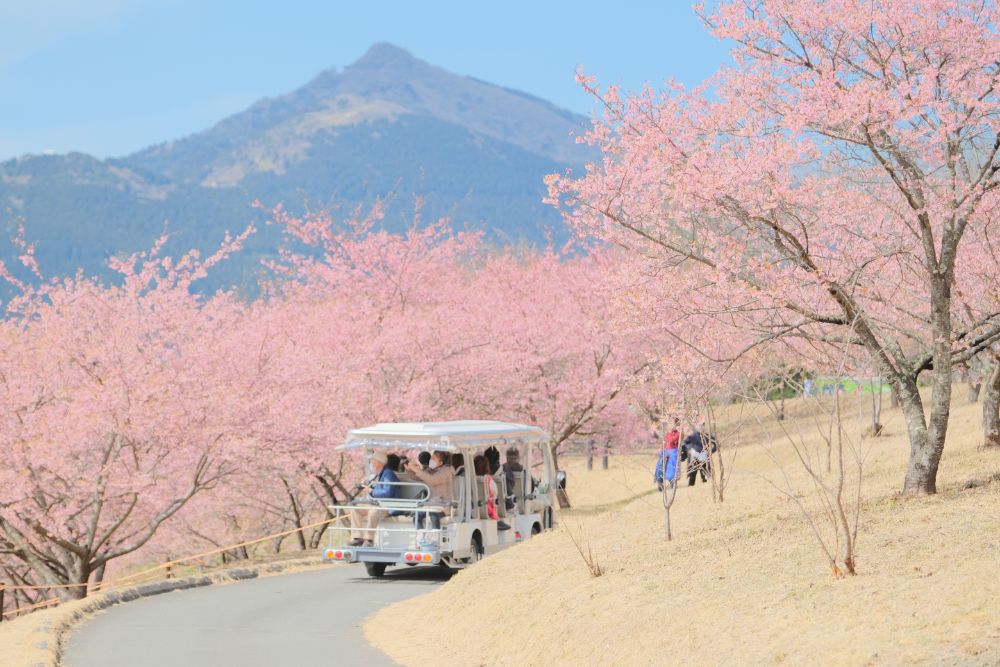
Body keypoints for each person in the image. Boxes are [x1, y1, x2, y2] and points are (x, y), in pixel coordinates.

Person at [348, 451, 399, 547]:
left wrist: (372, 491)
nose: (372, 463)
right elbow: (380, 489)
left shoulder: (388, 474)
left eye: (373, 461)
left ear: (378, 462)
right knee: (356, 508)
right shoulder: (381, 474)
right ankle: (357, 537)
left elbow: (388, 492)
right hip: (378, 504)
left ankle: (369, 539)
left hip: (387, 506)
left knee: (373, 511)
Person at [405, 450, 455, 529]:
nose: (430, 460)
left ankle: (435, 537)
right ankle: (421, 536)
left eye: (433, 458)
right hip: (431, 504)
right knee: (416, 515)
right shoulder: (431, 469)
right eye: (431, 458)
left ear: (441, 462)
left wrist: (416, 470)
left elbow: (432, 480)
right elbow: (418, 478)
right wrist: (410, 470)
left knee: (433, 514)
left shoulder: (446, 471)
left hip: (443, 505)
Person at [501, 447, 524, 511]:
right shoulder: (523, 471)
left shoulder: (501, 469)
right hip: (521, 505)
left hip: (503, 503)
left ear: (507, 458)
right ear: (518, 458)